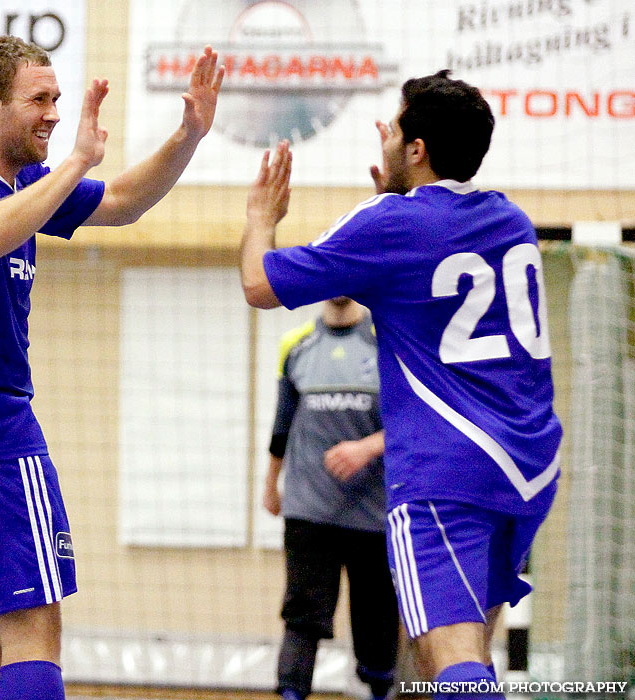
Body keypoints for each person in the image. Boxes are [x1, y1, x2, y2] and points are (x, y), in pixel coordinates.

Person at [0, 35, 223, 700]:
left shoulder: (21, 184)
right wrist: (76, 164)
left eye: (58, 99)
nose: (55, 113)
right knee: (35, 635)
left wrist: (189, 136)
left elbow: (122, 202)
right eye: (40, 98)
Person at [240, 70, 561, 700]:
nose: (384, 134)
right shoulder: (509, 220)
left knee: (452, 656)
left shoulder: (392, 221)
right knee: (466, 653)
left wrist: (260, 217)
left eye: (395, 125)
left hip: (449, 470)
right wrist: (387, 210)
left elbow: (259, 284)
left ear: (417, 149)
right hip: (529, 467)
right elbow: (417, 283)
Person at [263, 297, 399, 700]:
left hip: (372, 513)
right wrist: (270, 486)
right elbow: (282, 426)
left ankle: (379, 687)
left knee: (376, 625)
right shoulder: (296, 345)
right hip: (309, 510)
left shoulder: (387, 341)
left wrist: (366, 448)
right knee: (303, 616)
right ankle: (291, 692)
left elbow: (412, 421)